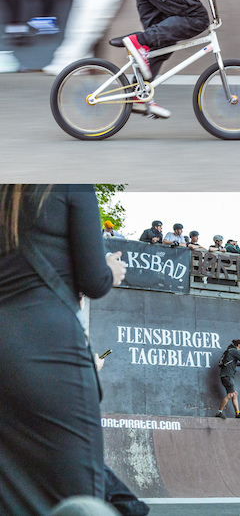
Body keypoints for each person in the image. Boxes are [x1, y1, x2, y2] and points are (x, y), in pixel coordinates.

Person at [0, 185, 127, 514]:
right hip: (47, 347)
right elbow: (93, 281)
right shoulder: (67, 182)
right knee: (78, 499)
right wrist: (110, 270)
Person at [215, 339, 240, 418]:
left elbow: (237, 364)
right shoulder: (235, 351)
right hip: (228, 376)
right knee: (230, 394)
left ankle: (237, 413)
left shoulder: (229, 351)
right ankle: (219, 412)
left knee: (234, 394)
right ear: (238, 345)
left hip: (226, 376)